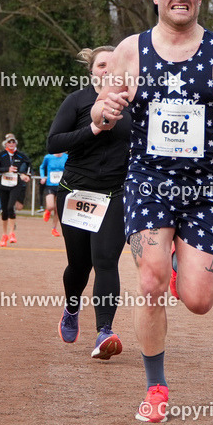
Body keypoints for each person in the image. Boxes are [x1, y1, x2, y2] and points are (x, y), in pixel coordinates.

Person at [91, 0, 213, 422]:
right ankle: (155, 388)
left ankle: (178, 267)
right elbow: (101, 111)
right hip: (149, 182)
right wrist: (103, 112)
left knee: (198, 301)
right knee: (149, 281)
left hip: (207, 189)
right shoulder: (131, 51)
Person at [50, 45, 132, 359]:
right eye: (101, 65)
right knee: (80, 265)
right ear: (92, 70)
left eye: (114, 65)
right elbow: (53, 142)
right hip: (76, 193)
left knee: (106, 262)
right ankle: (72, 308)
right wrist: (93, 129)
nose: (107, 70)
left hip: (114, 194)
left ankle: (104, 332)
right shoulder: (77, 101)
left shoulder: (132, 104)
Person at [0, 134, 31, 246]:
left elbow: (29, 165)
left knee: (11, 207)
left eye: (13, 142)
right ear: (5, 144)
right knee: (4, 210)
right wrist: (7, 169)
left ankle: (12, 233)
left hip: (16, 185)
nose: (11, 144)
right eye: (9, 142)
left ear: (16, 143)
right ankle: (4, 234)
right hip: (3, 184)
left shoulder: (20, 155)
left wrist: (27, 175)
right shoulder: (1, 155)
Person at [38, 151, 68, 237]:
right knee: (51, 205)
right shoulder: (48, 157)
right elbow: (42, 167)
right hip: (50, 185)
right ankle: (47, 210)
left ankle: (54, 228)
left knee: (58, 209)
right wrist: (43, 177)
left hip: (62, 186)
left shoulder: (66, 157)